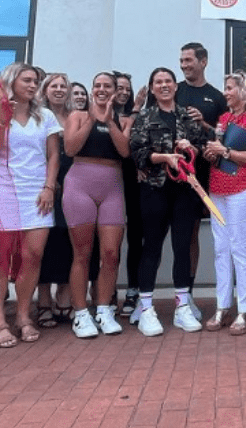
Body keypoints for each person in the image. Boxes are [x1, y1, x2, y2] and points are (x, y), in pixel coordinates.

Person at [0, 63, 61, 347]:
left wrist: (49, 187)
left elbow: (53, 155)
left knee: (32, 255)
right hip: (2, 192)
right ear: (11, 82)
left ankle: (24, 316)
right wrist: (3, 118)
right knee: (0, 258)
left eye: (36, 80)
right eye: (27, 80)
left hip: (37, 193)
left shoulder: (46, 116)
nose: (33, 84)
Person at [129, 67, 210, 336]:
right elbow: (138, 153)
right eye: (158, 82)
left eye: (168, 81)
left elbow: (201, 148)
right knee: (151, 247)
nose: (164, 86)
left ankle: (182, 306)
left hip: (184, 191)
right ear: (152, 88)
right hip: (154, 189)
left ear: (175, 86)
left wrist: (191, 148)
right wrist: (164, 158)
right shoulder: (144, 117)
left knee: (182, 246)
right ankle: (147, 308)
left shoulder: (187, 116)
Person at [62, 72, 130, 338]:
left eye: (107, 86)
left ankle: (104, 309)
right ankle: (81, 314)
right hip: (80, 185)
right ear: (92, 90)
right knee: (82, 253)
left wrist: (110, 119)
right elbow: (70, 148)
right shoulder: (77, 116)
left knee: (111, 254)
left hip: (112, 188)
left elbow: (124, 151)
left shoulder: (123, 120)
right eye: (97, 85)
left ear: (116, 90)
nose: (102, 90)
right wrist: (92, 116)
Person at [202, 71, 246, 335]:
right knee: (220, 248)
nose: (226, 92)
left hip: (243, 188)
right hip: (217, 189)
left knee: (240, 247)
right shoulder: (224, 119)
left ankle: (245, 310)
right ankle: (222, 306)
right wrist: (211, 154)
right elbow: (218, 154)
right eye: (225, 88)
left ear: (244, 90)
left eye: (230, 88)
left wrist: (224, 151)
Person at [176, 43, 229, 295]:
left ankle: (189, 290)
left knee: (194, 230)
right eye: (182, 61)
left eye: (189, 60)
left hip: (205, 175)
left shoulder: (217, 97)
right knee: (175, 231)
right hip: (174, 172)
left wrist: (204, 122)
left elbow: (225, 137)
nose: (184, 65)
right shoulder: (173, 90)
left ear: (203, 61)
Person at [35, 72, 77, 327]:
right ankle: (43, 302)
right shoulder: (37, 117)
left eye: (64, 86)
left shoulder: (74, 117)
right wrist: (49, 182)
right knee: (44, 243)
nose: (59, 90)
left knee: (67, 242)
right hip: (45, 186)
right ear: (45, 90)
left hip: (73, 188)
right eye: (54, 86)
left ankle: (64, 298)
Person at [114, 71, 143, 318]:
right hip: (107, 182)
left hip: (133, 183)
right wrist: (134, 111)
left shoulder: (139, 115)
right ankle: (107, 293)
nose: (123, 92)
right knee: (108, 242)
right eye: (118, 88)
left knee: (135, 239)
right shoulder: (100, 115)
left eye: (126, 88)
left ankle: (133, 290)